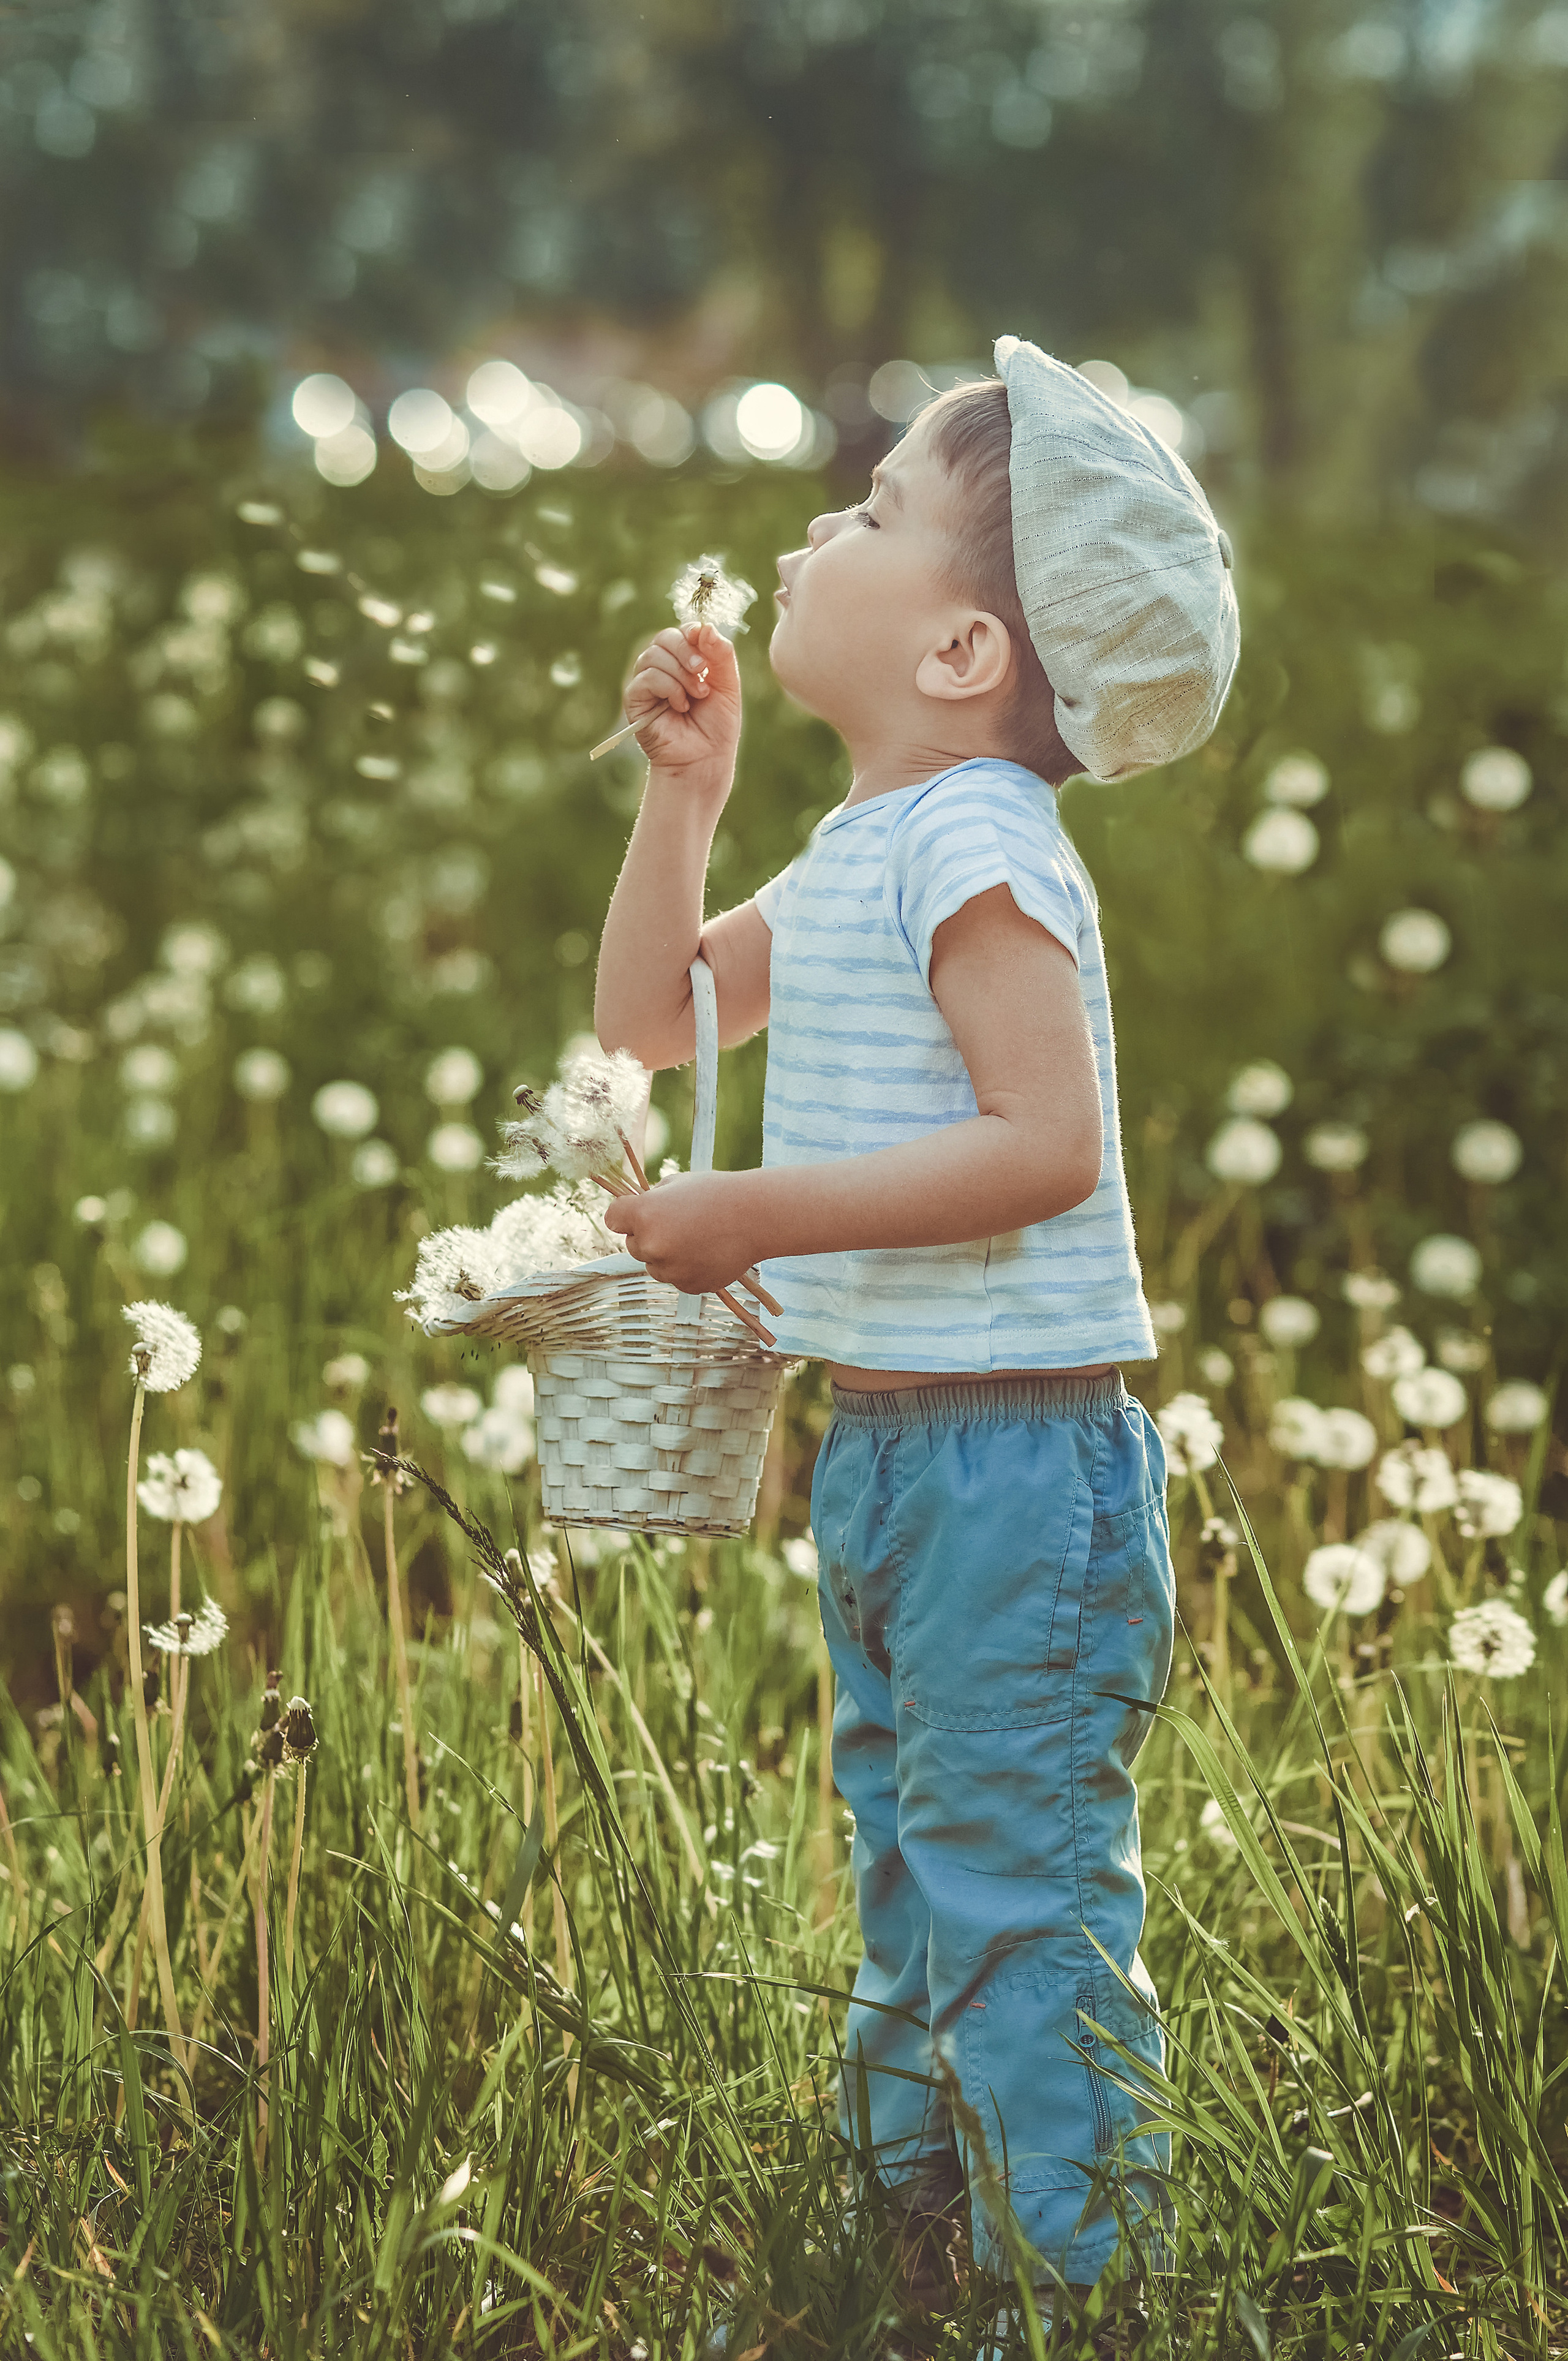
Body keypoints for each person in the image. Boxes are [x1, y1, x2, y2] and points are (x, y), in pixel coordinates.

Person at [592, 334, 1239, 2342]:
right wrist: (681, 806)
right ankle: (921, 2256)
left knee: (1013, 1881)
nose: (818, 523)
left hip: (1015, 1465)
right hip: (891, 1452)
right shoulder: (875, 837)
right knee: (904, 1857)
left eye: (869, 513)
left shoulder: (980, 841)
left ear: (965, 651)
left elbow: (1045, 1146)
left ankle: (1090, 2288)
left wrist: (750, 1220)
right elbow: (655, 1024)